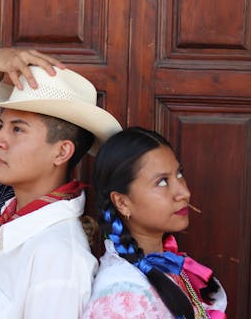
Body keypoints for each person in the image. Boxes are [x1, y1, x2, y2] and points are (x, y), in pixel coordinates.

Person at [0, 48, 122, 319]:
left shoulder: (59, 260)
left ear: (61, 152)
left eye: (17, 129)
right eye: (0, 125)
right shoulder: (6, 205)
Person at [82, 127, 227, 319]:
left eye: (180, 174)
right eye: (162, 182)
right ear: (122, 203)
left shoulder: (171, 266)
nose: (184, 193)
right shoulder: (122, 299)